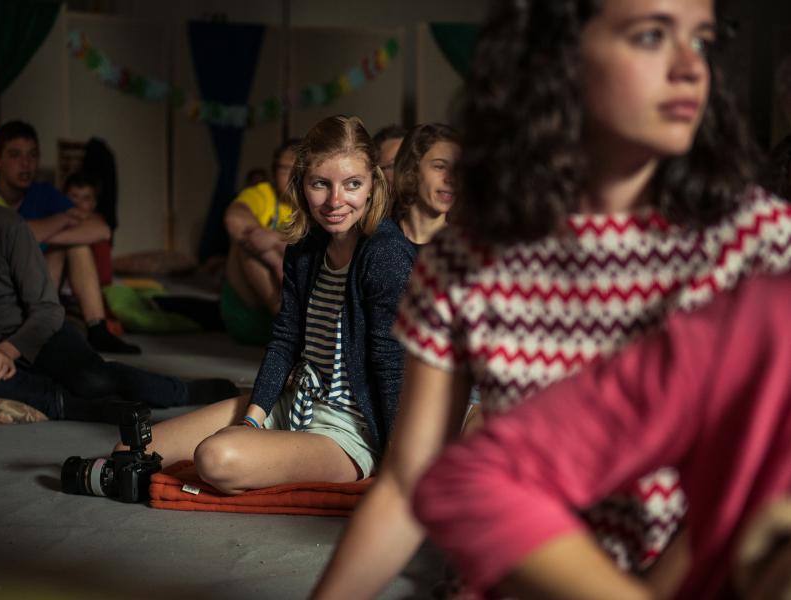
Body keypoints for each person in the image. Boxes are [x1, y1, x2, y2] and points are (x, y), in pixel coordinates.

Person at [311, 0, 791, 597]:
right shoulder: (470, 255)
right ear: (557, 59)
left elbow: (760, 485)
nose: (690, 67)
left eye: (701, 40)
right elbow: (412, 481)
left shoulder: (758, 241)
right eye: (650, 36)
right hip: (517, 572)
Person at [414, 273, 791, 600]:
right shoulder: (767, 317)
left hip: (639, 548)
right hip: (546, 552)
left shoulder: (758, 248)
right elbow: (452, 474)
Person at [120, 115, 415, 494]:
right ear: (302, 185)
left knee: (216, 458)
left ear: (373, 184)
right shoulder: (305, 251)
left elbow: (394, 367)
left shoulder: (386, 254)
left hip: (351, 428)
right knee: (132, 449)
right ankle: (262, 443)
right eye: (321, 184)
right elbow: (284, 341)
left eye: (352, 184)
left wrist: (396, 463)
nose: (336, 201)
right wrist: (254, 420)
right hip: (296, 401)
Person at [0, 133, 236, 423]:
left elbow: (47, 310)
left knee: (94, 379)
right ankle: (66, 405)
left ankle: (180, 390)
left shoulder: (6, 226)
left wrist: (8, 350)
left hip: (31, 330)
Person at [0, 120, 138, 354]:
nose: (26, 164)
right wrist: (59, 222)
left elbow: (101, 229)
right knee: (63, 241)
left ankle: (98, 328)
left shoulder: (44, 193)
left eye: (33, 155)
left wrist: (45, 236)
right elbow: (12, 234)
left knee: (75, 246)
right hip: (0, 288)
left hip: (41, 289)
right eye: (16, 155)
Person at [221, 139, 299, 345]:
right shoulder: (263, 195)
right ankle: (287, 324)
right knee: (247, 243)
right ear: (274, 172)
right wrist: (272, 258)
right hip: (250, 306)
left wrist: (275, 240)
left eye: (299, 169)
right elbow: (234, 219)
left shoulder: (319, 201)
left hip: (298, 300)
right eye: (285, 169)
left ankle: (292, 324)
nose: (292, 177)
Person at [391, 123, 460, 247]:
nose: (451, 179)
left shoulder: (464, 249)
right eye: (440, 166)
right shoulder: (381, 241)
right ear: (412, 169)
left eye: (456, 169)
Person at [63, 171, 114, 286]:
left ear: (94, 203)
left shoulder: (98, 224)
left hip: (92, 287)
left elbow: (105, 276)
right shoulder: (56, 220)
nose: (78, 203)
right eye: (74, 196)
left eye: (86, 198)